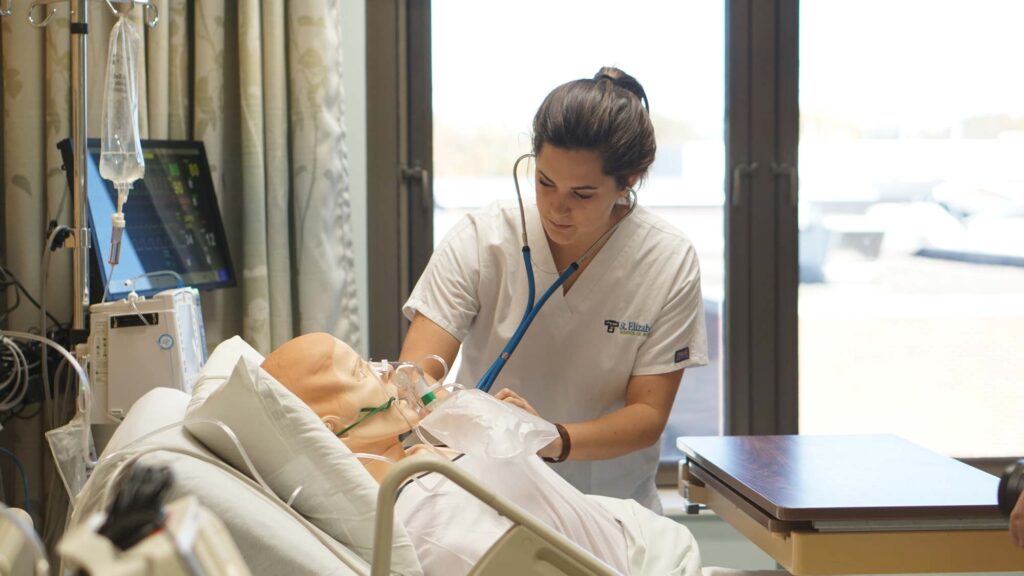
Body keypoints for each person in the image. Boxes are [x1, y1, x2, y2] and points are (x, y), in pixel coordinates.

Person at [400, 67, 708, 512]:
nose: (556, 208)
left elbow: (647, 417)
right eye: (545, 182)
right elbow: (414, 375)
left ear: (630, 182)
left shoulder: (666, 260)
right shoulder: (482, 237)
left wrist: (546, 438)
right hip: (482, 501)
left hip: (609, 508)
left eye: (582, 194)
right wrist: (476, 418)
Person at [261, 332, 671, 575]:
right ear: (330, 429)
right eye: (359, 371)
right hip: (644, 560)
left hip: (636, 534)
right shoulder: (425, 514)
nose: (385, 369)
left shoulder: (422, 460)